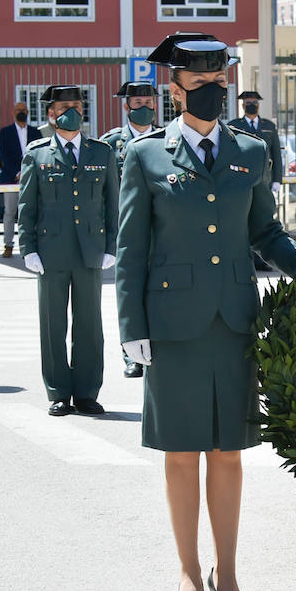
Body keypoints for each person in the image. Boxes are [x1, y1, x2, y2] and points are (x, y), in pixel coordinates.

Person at [116, 33, 296, 591]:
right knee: (180, 454)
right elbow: (130, 249)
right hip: (172, 325)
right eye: (198, 86)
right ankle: (189, 574)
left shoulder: (249, 152)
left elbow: (265, 235)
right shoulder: (145, 156)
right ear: (174, 91)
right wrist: (132, 327)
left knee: (229, 454)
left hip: (233, 322)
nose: (212, 94)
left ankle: (229, 571)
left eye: (219, 83)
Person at [17, 85, 118, 417]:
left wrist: (112, 246)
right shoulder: (37, 153)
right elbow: (27, 207)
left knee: (89, 326)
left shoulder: (101, 152)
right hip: (50, 252)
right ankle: (58, 391)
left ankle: (87, 392)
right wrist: (28, 248)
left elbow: (113, 204)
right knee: (53, 324)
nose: (71, 111)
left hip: (91, 251)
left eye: (76, 105)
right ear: (51, 114)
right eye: (64, 107)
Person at [102, 80, 162, 378]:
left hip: (162, 227)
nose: (145, 108)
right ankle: (130, 353)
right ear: (126, 107)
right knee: (129, 290)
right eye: (138, 103)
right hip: (127, 228)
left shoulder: (166, 139)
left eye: (149, 102)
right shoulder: (111, 143)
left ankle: (157, 343)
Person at [0, 102, 42, 258]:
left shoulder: (35, 132)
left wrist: (27, 172)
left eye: (24, 110)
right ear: (13, 112)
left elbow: (39, 154)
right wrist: (18, 172)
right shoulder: (5, 132)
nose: (21, 112)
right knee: (9, 212)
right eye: (18, 110)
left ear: (28, 112)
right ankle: (8, 245)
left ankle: (31, 246)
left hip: (31, 179)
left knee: (30, 213)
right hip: (11, 178)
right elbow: (4, 156)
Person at [227, 90, 285, 200]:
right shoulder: (234, 126)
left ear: (258, 105)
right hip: (242, 177)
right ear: (243, 106)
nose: (252, 105)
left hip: (265, 177)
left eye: (255, 103)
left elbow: (276, 154)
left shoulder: (269, 126)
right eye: (248, 103)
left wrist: (277, 180)